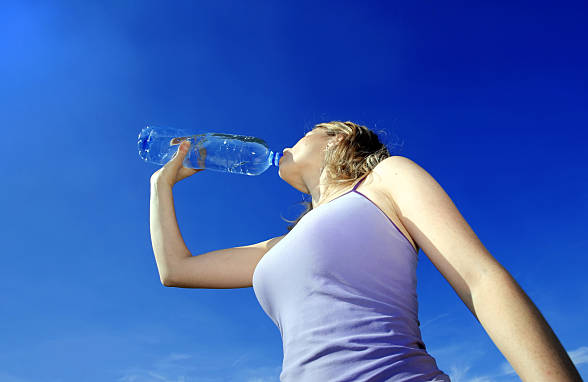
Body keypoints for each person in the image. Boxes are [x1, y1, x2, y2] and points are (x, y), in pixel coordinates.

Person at [148, 121, 582, 382]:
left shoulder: (383, 182)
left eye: (305, 134)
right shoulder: (279, 247)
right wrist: (160, 185)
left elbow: (479, 277)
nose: (289, 143)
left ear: (339, 141)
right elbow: (177, 269)